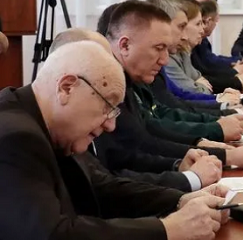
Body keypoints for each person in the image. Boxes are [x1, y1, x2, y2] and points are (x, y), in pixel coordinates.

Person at [0, 40, 229, 240]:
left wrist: (180, 201)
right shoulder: (14, 137)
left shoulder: (49, 125)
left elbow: (101, 187)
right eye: (107, 106)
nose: (110, 126)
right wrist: (169, 231)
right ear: (67, 88)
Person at [47, 29, 224, 192]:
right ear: (67, 87)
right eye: (158, 48)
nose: (111, 125)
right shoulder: (36, 142)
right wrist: (189, 179)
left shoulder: (105, 96)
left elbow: (118, 163)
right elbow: (104, 190)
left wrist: (177, 167)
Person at [97, 0, 243, 170]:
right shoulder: (106, 86)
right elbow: (138, 147)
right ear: (124, 45)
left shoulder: (130, 78)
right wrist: (218, 151)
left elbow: (149, 129)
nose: (165, 60)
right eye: (158, 48)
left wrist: (200, 144)